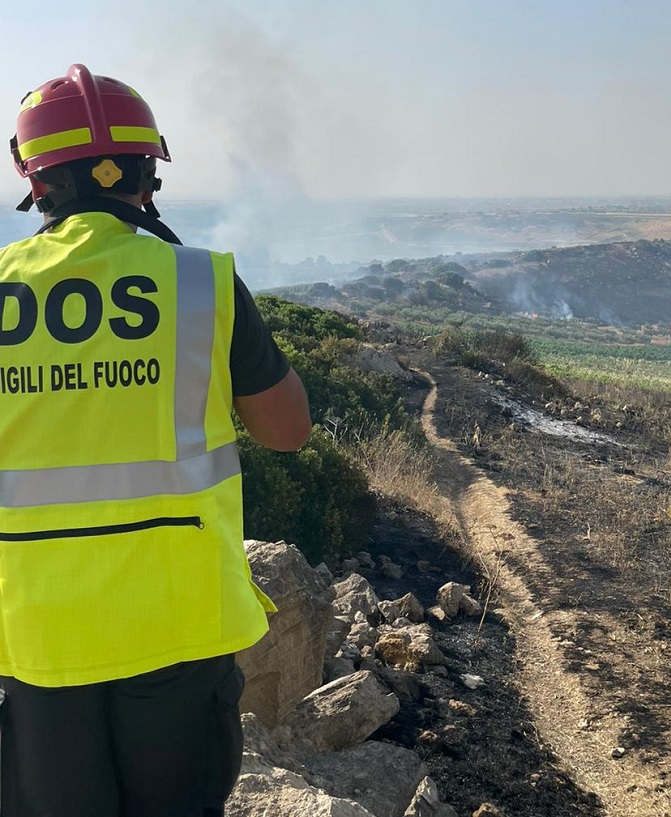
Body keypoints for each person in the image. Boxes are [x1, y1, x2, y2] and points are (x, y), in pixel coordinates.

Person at [0, 64, 312, 817]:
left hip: (37, 633)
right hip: (178, 622)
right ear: (148, 173)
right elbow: (288, 431)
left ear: (36, 181)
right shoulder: (200, 284)